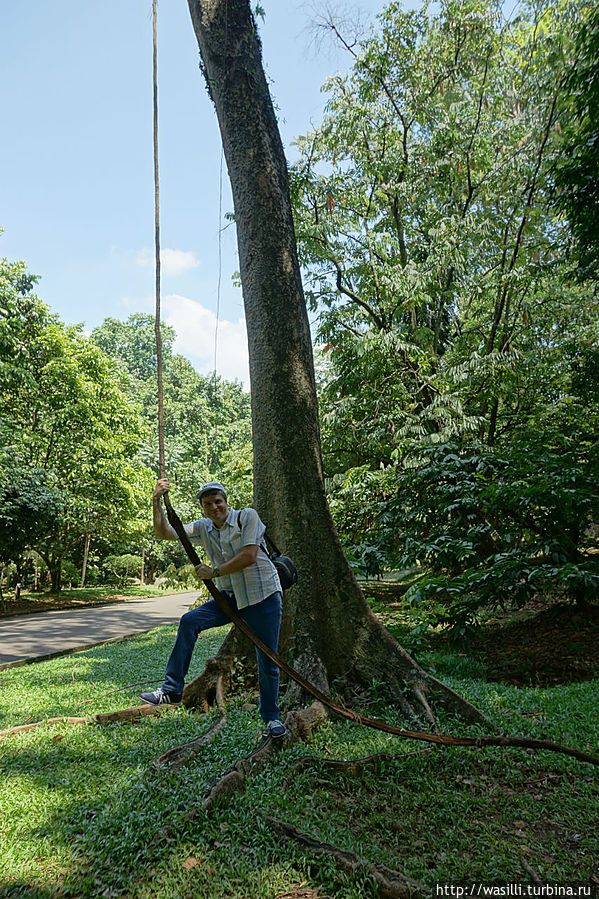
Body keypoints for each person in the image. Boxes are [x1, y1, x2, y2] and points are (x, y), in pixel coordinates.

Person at [141, 479, 286, 739]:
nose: (214, 507)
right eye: (208, 504)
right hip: (230, 598)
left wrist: (214, 571)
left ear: (226, 501)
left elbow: (250, 555)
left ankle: (271, 718)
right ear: (204, 508)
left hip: (262, 595)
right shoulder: (203, 527)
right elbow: (164, 533)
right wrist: (156, 500)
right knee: (189, 621)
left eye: (218, 501)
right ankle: (172, 689)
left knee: (267, 659)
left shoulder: (247, 517)